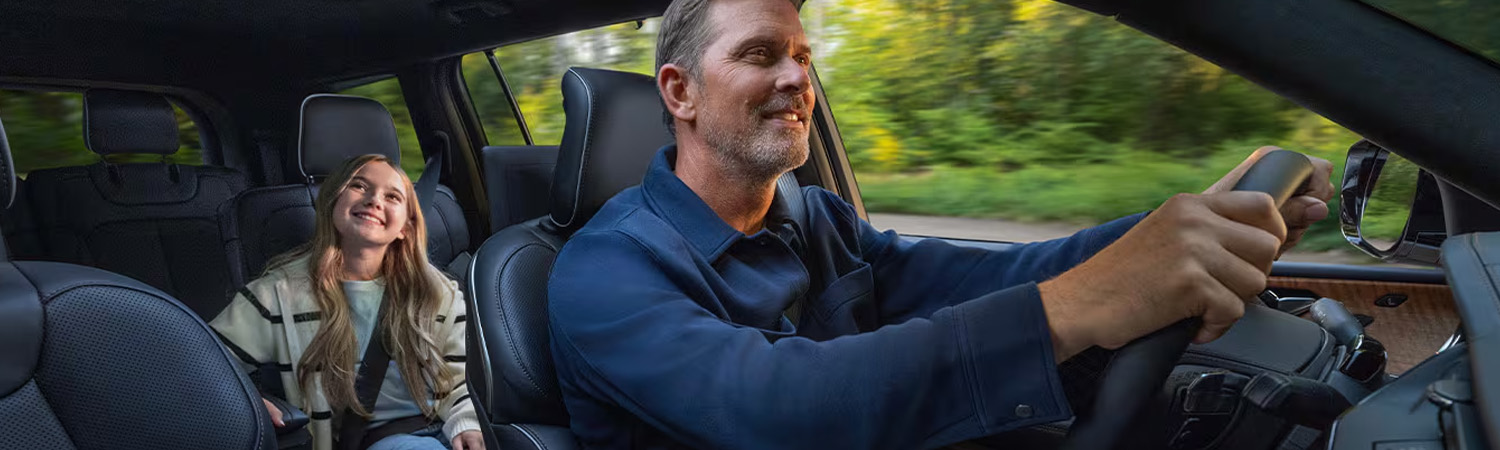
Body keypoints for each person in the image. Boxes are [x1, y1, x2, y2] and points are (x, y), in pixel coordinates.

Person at [546, 0, 1336, 448]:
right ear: (680, 93)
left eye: (802, 54)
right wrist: (1076, 308)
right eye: (761, 54)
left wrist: (1182, 227)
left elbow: (983, 277)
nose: (797, 77)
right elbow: (778, 408)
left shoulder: (814, 217)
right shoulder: (602, 274)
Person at [212, 154, 485, 450]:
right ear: (332, 201)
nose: (374, 200)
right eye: (359, 186)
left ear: (406, 226)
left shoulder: (437, 293)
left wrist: (467, 423)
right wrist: (250, 401)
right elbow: (200, 359)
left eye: (392, 196)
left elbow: (461, 381)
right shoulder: (278, 294)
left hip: (442, 431)